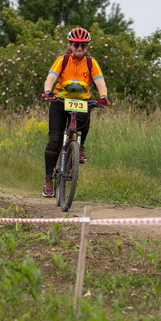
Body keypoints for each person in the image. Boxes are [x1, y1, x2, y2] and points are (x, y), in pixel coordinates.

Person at [41, 27, 110, 197]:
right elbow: (51, 77)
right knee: (55, 140)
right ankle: (48, 179)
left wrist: (103, 96)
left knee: (84, 122)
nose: (79, 48)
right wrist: (48, 91)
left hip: (82, 101)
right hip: (60, 101)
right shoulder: (62, 60)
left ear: (87, 47)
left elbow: (100, 81)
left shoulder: (91, 62)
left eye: (83, 45)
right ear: (70, 45)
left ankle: (80, 147)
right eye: (76, 45)